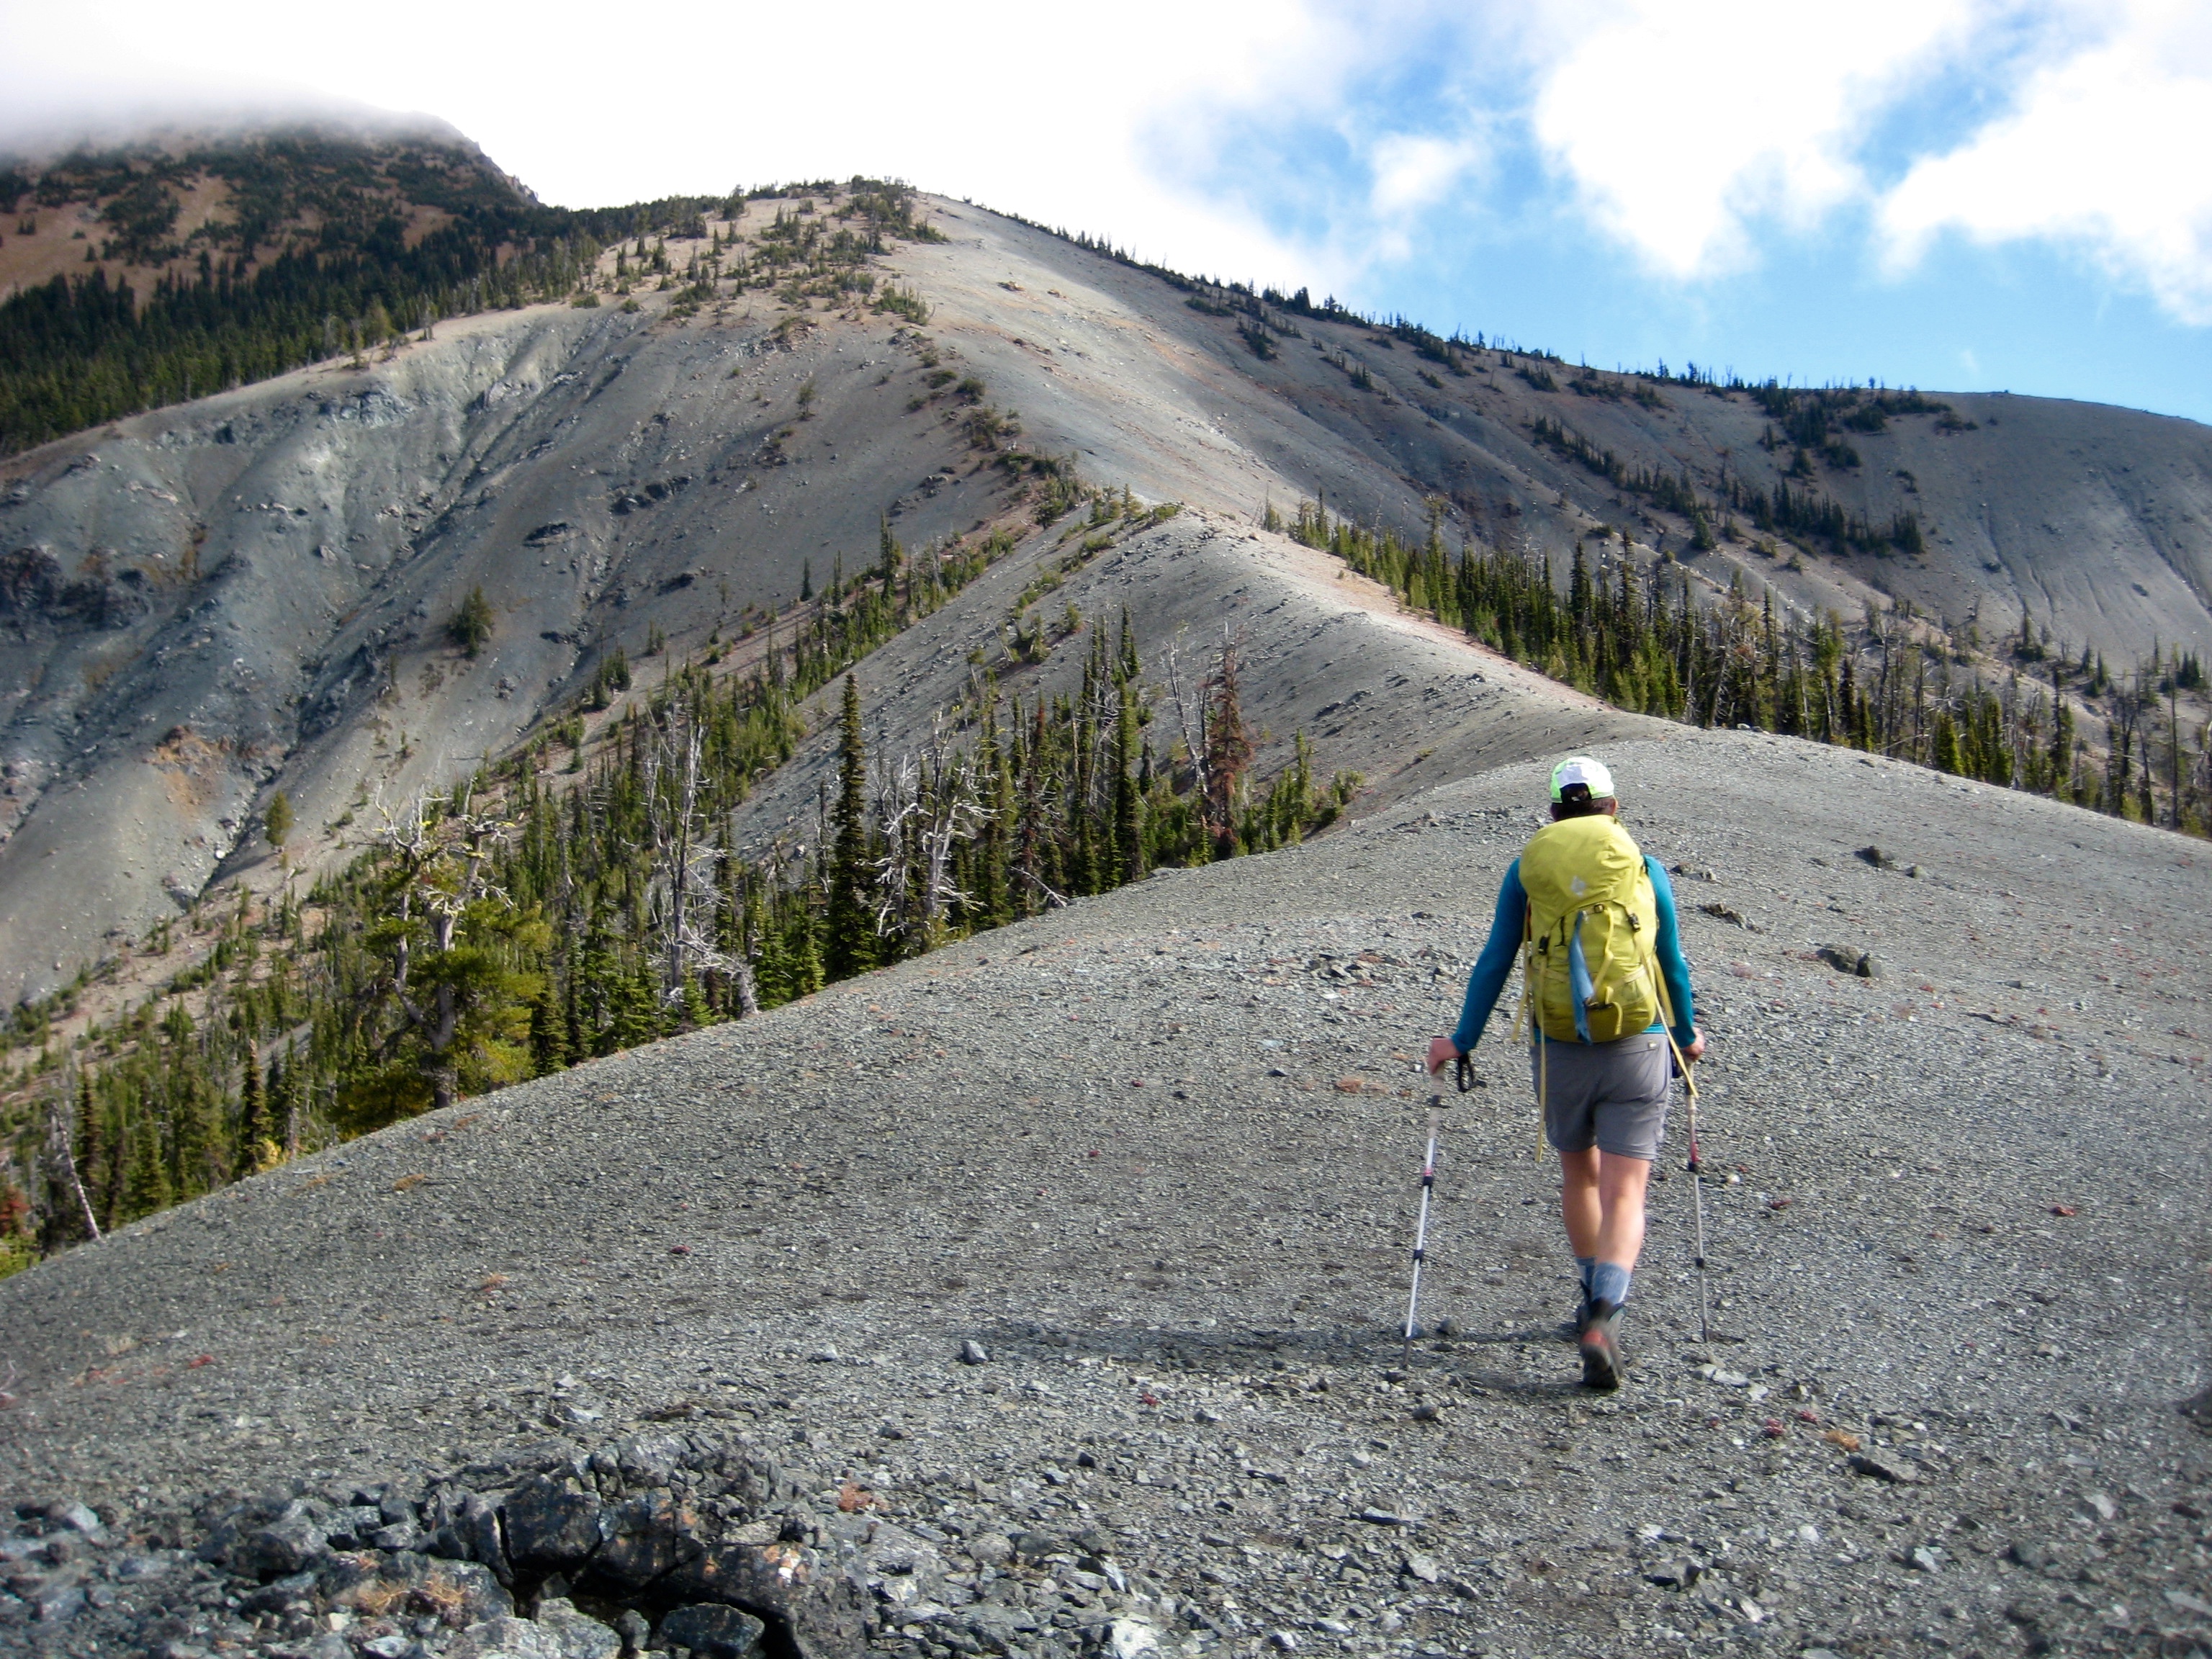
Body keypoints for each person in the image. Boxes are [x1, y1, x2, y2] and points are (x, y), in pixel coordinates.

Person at [1427, 755, 1704, 1390]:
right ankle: (1606, 1313)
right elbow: (1673, 965)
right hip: (1639, 1042)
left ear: (1554, 813)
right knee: (1627, 1189)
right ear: (1612, 809)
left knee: (1580, 1174)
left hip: (1558, 1046)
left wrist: (1460, 1040)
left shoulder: (1527, 872)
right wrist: (1686, 1038)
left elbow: (1496, 959)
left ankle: (1587, 1297)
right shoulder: (1645, 869)